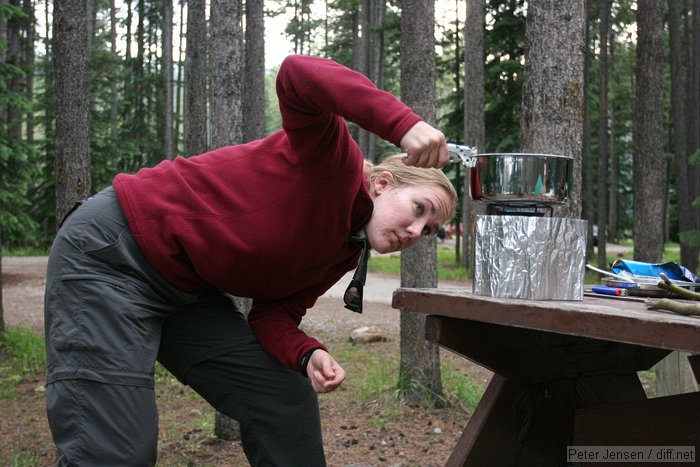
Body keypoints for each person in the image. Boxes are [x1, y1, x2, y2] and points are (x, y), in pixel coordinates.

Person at [44, 54, 457, 466]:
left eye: (430, 230)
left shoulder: (344, 251)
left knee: (283, 399)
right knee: (114, 453)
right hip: (114, 254)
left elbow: (274, 315)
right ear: (383, 184)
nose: (417, 233)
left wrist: (306, 352)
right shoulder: (332, 161)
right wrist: (405, 125)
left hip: (183, 292)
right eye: (420, 209)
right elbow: (298, 73)